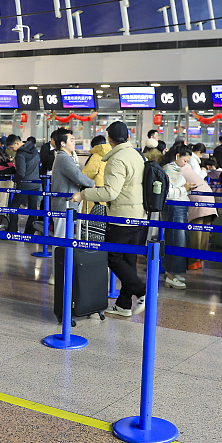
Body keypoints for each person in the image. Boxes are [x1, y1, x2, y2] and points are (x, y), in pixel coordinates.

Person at [72, 120, 146, 318]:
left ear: (110, 140)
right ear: (128, 137)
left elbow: (110, 193)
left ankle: (142, 291)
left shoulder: (117, 159)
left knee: (112, 257)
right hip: (138, 216)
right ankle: (123, 304)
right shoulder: (137, 155)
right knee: (129, 260)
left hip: (121, 217)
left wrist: (84, 194)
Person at [49, 128, 94, 246]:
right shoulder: (63, 157)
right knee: (61, 238)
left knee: (64, 237)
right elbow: (77, 175)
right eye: (71, 140)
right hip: (63, 204)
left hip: (66, 203)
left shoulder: (65, 156)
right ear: (63, 143)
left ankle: (63, 263)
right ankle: (60, 263)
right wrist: (92, 184)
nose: (74, 142)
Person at [160, 145, 196, 289]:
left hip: (179, 208)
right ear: (177, 156)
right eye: (185, 160)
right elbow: (168, 193)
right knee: (176, 240)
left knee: (180, 240)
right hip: (174, 208)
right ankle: (170, 275)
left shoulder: (175, 169)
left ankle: (174, 272)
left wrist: (185, 188)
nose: (185, 164)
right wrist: (185, 188)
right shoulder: (170, 169)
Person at [183, 149, 216, 271]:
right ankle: (200, 261)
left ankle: (193, 262)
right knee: (204, 233)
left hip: (198, 201)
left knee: (195, 234)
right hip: (209, 199)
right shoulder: (190, 168)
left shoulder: (177, 168)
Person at [8, 133, 41, 235]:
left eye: (12, 147)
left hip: (24, 185)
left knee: (13, 208)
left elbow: (21, 173)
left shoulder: (20, 154)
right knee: (33, 209)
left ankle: (12, 231)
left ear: (17, 143)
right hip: (36, 183)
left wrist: (15, 180)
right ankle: (29, 232)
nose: (12, 150)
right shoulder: (34, 149)